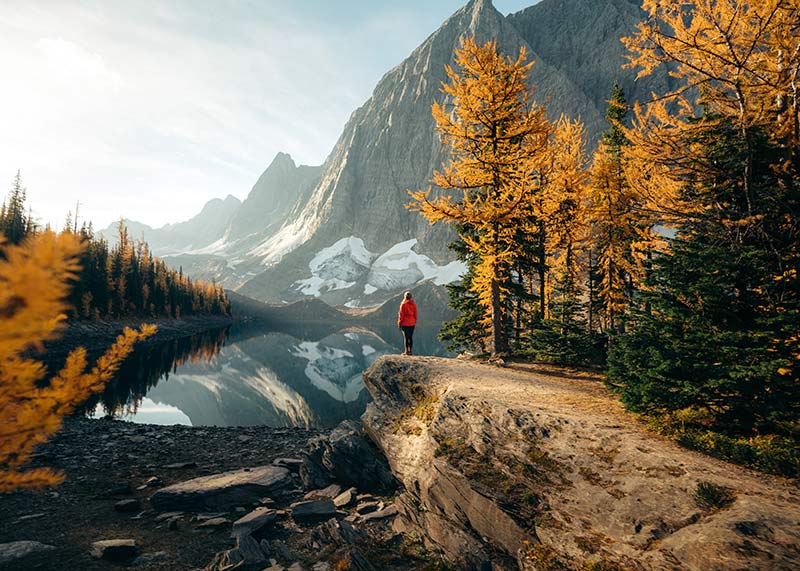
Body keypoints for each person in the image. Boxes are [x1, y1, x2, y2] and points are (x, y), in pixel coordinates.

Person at [397, 291, 418, 356]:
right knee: (410, 337)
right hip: (412, 323)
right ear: (411, 297)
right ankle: (410, 351)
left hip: (405, 323)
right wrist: (414, 321)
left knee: (406, 337)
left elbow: (401, 315)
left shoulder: (403, 304)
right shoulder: (414, 304)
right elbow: (416, 314)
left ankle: (406, 352)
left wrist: (399, 323)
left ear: (405, 297)